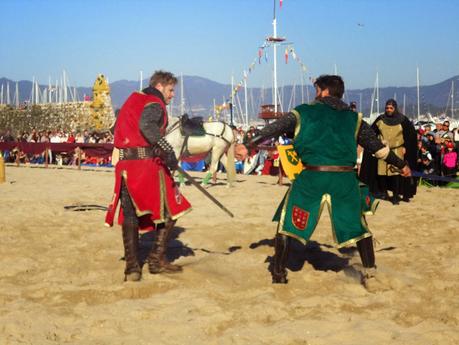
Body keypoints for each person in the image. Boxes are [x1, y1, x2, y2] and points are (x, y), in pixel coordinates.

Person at [244, 75, 411, 287]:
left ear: (324, 91)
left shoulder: (304, 112)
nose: (315, 94)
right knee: (357, 226)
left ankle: (278, 272)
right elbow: (378, 148)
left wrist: (249, 144)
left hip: (312, 179)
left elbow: (274, 128)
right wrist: (401, 164)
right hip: (344, 181)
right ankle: (370, 273)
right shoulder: (354, 118)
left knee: (288, 224)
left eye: (317, 89)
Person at [105, 70, 191, 282]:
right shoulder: (154, 102)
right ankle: (155, 260)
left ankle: (132, 268)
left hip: (126, 166)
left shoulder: (132, 99)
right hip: (146, 165)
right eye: (171, 90)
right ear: (160, 86)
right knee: (172, 209)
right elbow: (146, 125)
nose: (172, 95)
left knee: (131, 214)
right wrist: (167, 151)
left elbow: (121, 128)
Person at [359, 99, 417, 204]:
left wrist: (406, 147)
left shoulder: (403, 120)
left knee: (395, 174)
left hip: (397, 150)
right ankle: (384, 193)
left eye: (391, 108)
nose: (388, 110)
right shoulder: (380, 119)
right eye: (387, 108)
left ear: (395, 108)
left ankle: (395, 196)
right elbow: (371, 133)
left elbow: (411, 135)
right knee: (382, 174)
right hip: (383, 150)